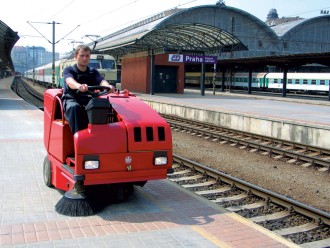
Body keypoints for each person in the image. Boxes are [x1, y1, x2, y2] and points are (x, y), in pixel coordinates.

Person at [62, 44, 115, 134]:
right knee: (74, 108)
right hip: (72, 99)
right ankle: (78, 139)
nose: (85, 58)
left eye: (87, 56)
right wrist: (79, 86)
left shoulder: (93, 71)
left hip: (88, 99)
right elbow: (69, 81)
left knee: (102, 106)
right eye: (82, 55)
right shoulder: (69, 70)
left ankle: (100, 135)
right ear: (76, 56)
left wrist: (108, 86)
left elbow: (101, 80)